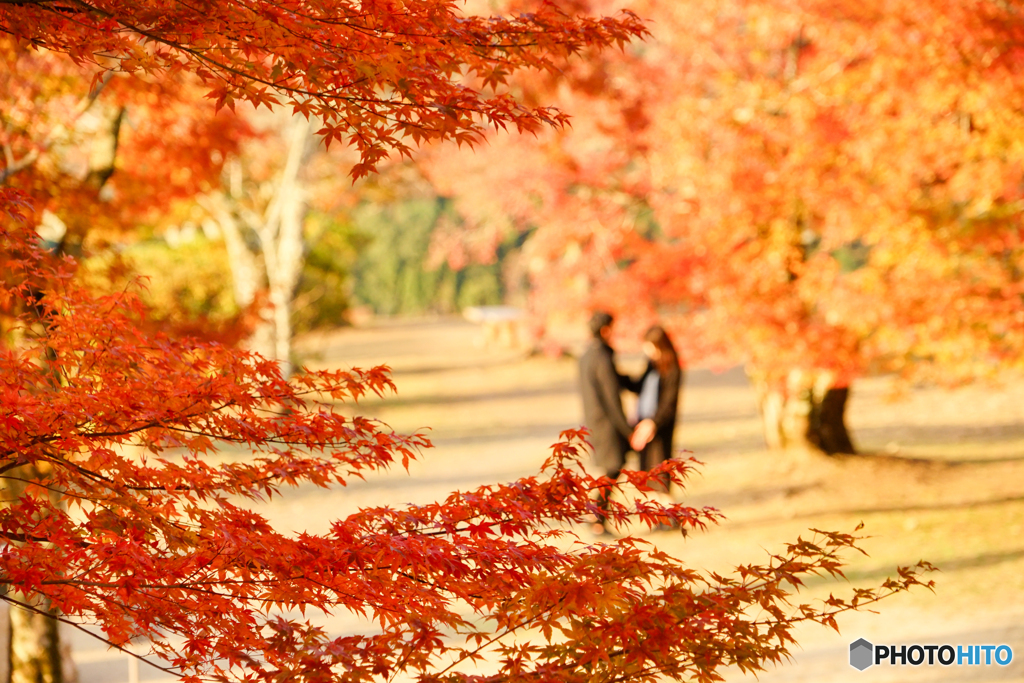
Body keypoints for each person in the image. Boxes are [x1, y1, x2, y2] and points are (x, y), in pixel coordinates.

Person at [578, 311, 633, 534]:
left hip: (594, 420)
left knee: (610, 469)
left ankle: (596, 516)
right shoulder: (602, 357)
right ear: (605, 330)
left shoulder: (587, 355)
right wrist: (628, 430)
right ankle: (596, 517)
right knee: (612, 468)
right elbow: (612, 398)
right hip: (607, 423)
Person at [626, 325, 683, 493]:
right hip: (643, 423)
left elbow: (669, 403)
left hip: (659, 427)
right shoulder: (652, 364)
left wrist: (653, 422)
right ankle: (656, 516)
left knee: (660, 478)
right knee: (646, 478)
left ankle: (666, 517)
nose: (646, 349)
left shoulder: (672, 367)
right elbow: (638, 385)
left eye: (649, 345)